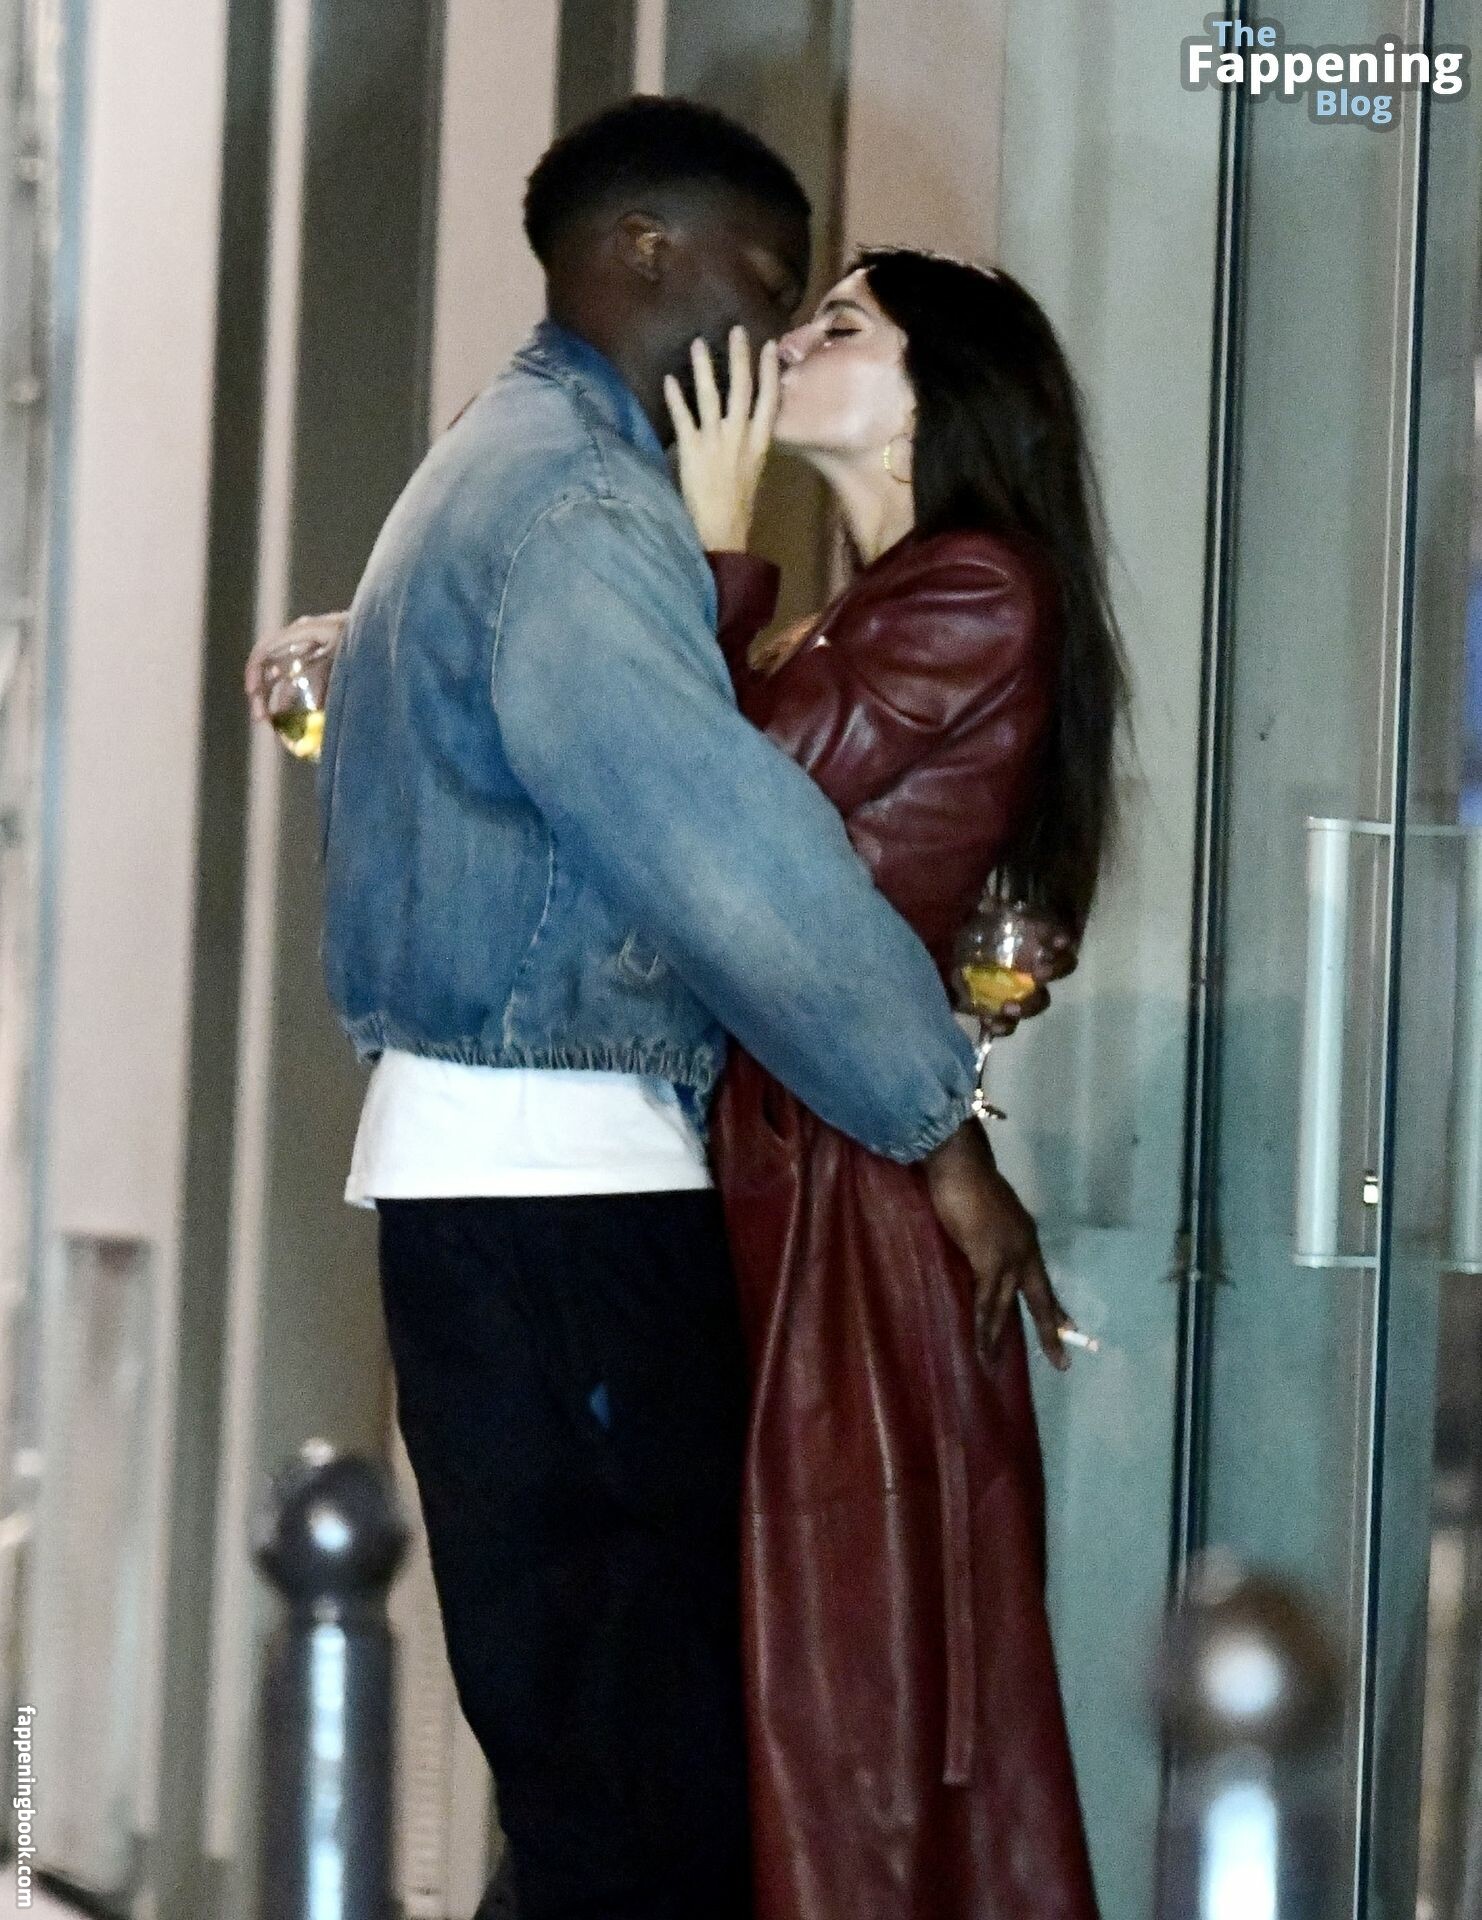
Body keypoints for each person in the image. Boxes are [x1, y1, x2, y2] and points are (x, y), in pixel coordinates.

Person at [257, 95, 1080, 1920]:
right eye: (770, 281)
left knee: (605, 1775)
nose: (772, 329)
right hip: (563, 1181)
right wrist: (937, 1122)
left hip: (528, 1173)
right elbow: (726, 853)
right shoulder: (576, 503)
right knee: (638, 1790)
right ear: (646, 252)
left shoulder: (516, 463)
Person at [664, 252, 1127, 1919]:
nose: (790, 343)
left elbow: (727, 802)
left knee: (845, 1678)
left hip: (839, 1187)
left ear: (939, 396)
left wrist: (716, 548)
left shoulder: (972, 586)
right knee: (819, 1661)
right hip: (825, 1155)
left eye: (841, 326)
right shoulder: (880, 604)